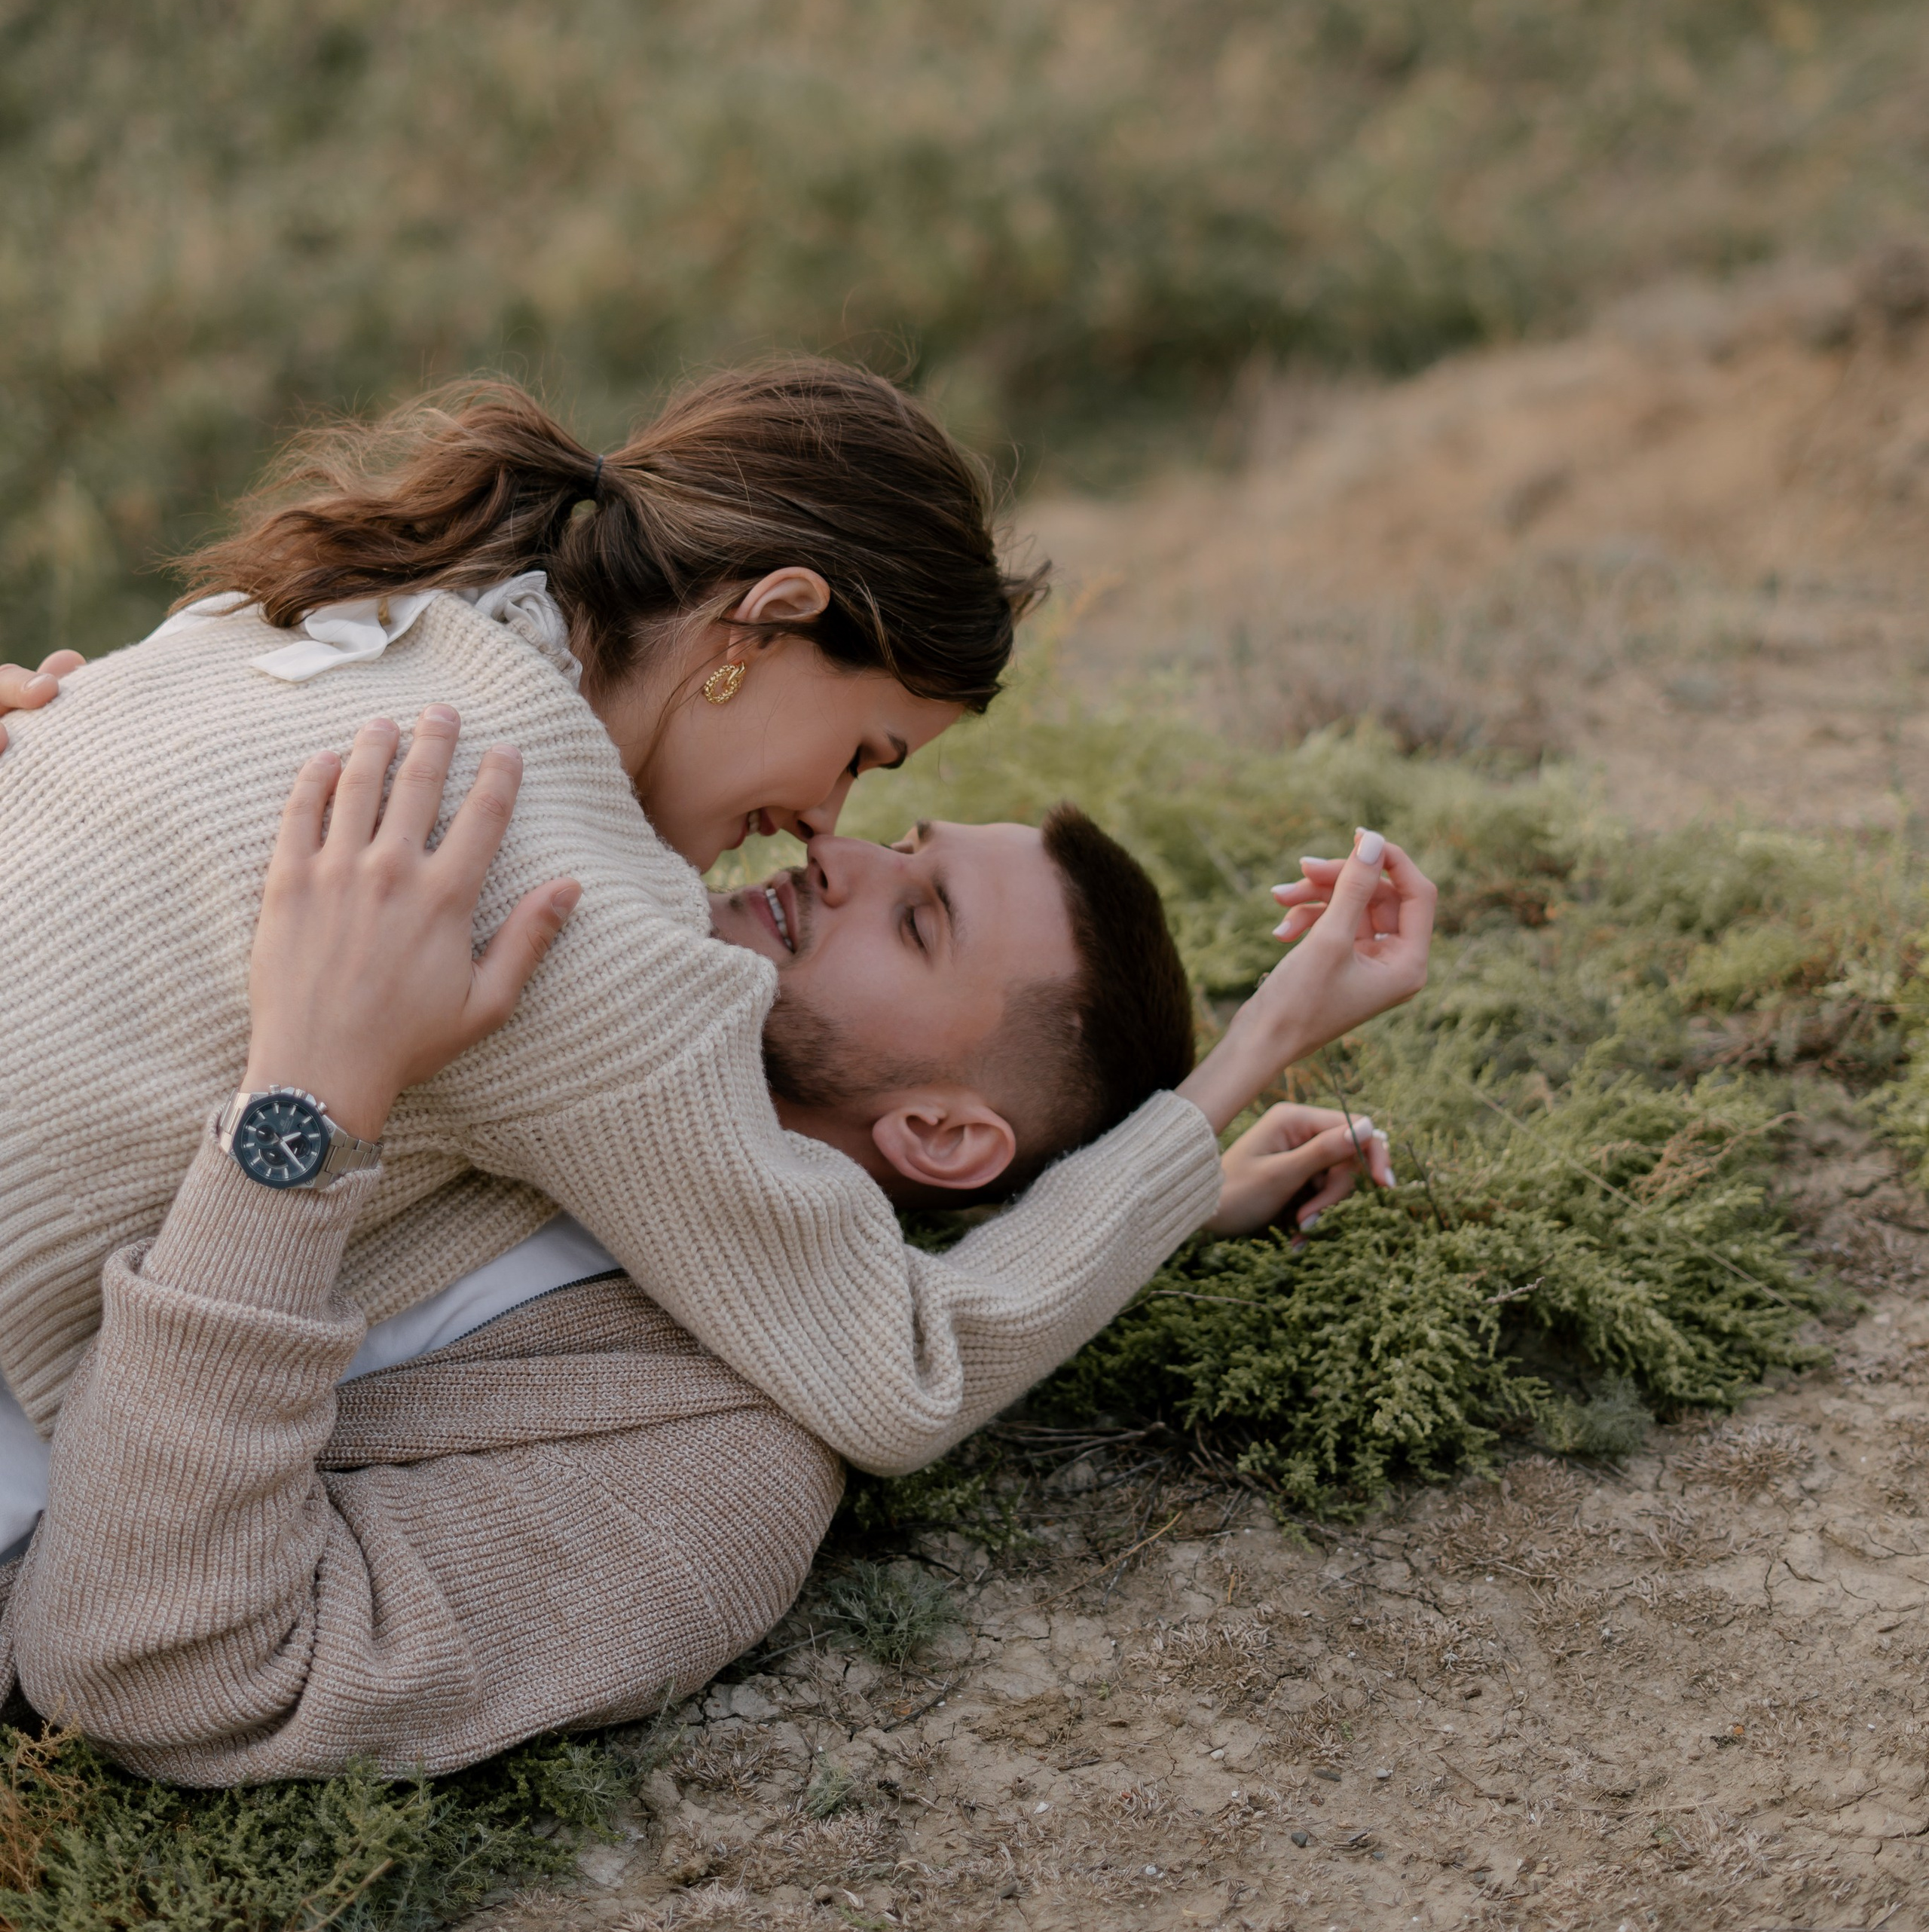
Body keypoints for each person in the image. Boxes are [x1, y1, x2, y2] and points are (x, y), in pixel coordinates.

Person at [0, 361, 1415, 1488]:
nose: (822, 826)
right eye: (865, 755)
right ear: (767, 622)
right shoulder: (585, 922)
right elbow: (903, 1375)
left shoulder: (332, 611)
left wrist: (1175, 1201)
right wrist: (1252, 1054)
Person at [0, 678, 1429, 1783]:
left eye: (920, 922)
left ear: (941, 1136)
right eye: (899, 839)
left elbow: (158, 1671)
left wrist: (302, 1108)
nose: (835, 853)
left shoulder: (717, 1471)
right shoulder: (547, 1007)